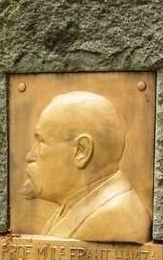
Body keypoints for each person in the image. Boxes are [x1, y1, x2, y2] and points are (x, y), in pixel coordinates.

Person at [21, 90, 150, 243]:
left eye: (42, 142)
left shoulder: (118, 215)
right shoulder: (72, 206)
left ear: (82, 151)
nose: (30, 156)